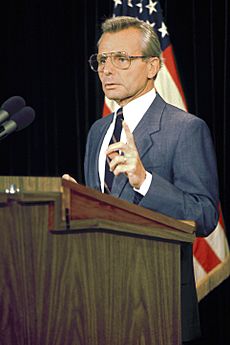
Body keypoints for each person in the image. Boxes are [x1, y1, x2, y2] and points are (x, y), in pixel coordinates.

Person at [67, 16, 219, 344]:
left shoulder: (186, 129)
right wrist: (82, 201)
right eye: (102, 60)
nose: (107, 70)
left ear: (152, 66)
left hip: (156, 301)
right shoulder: (98, 131)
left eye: (121, 59)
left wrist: (144, 180)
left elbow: (205, 216)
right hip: (98, 301)